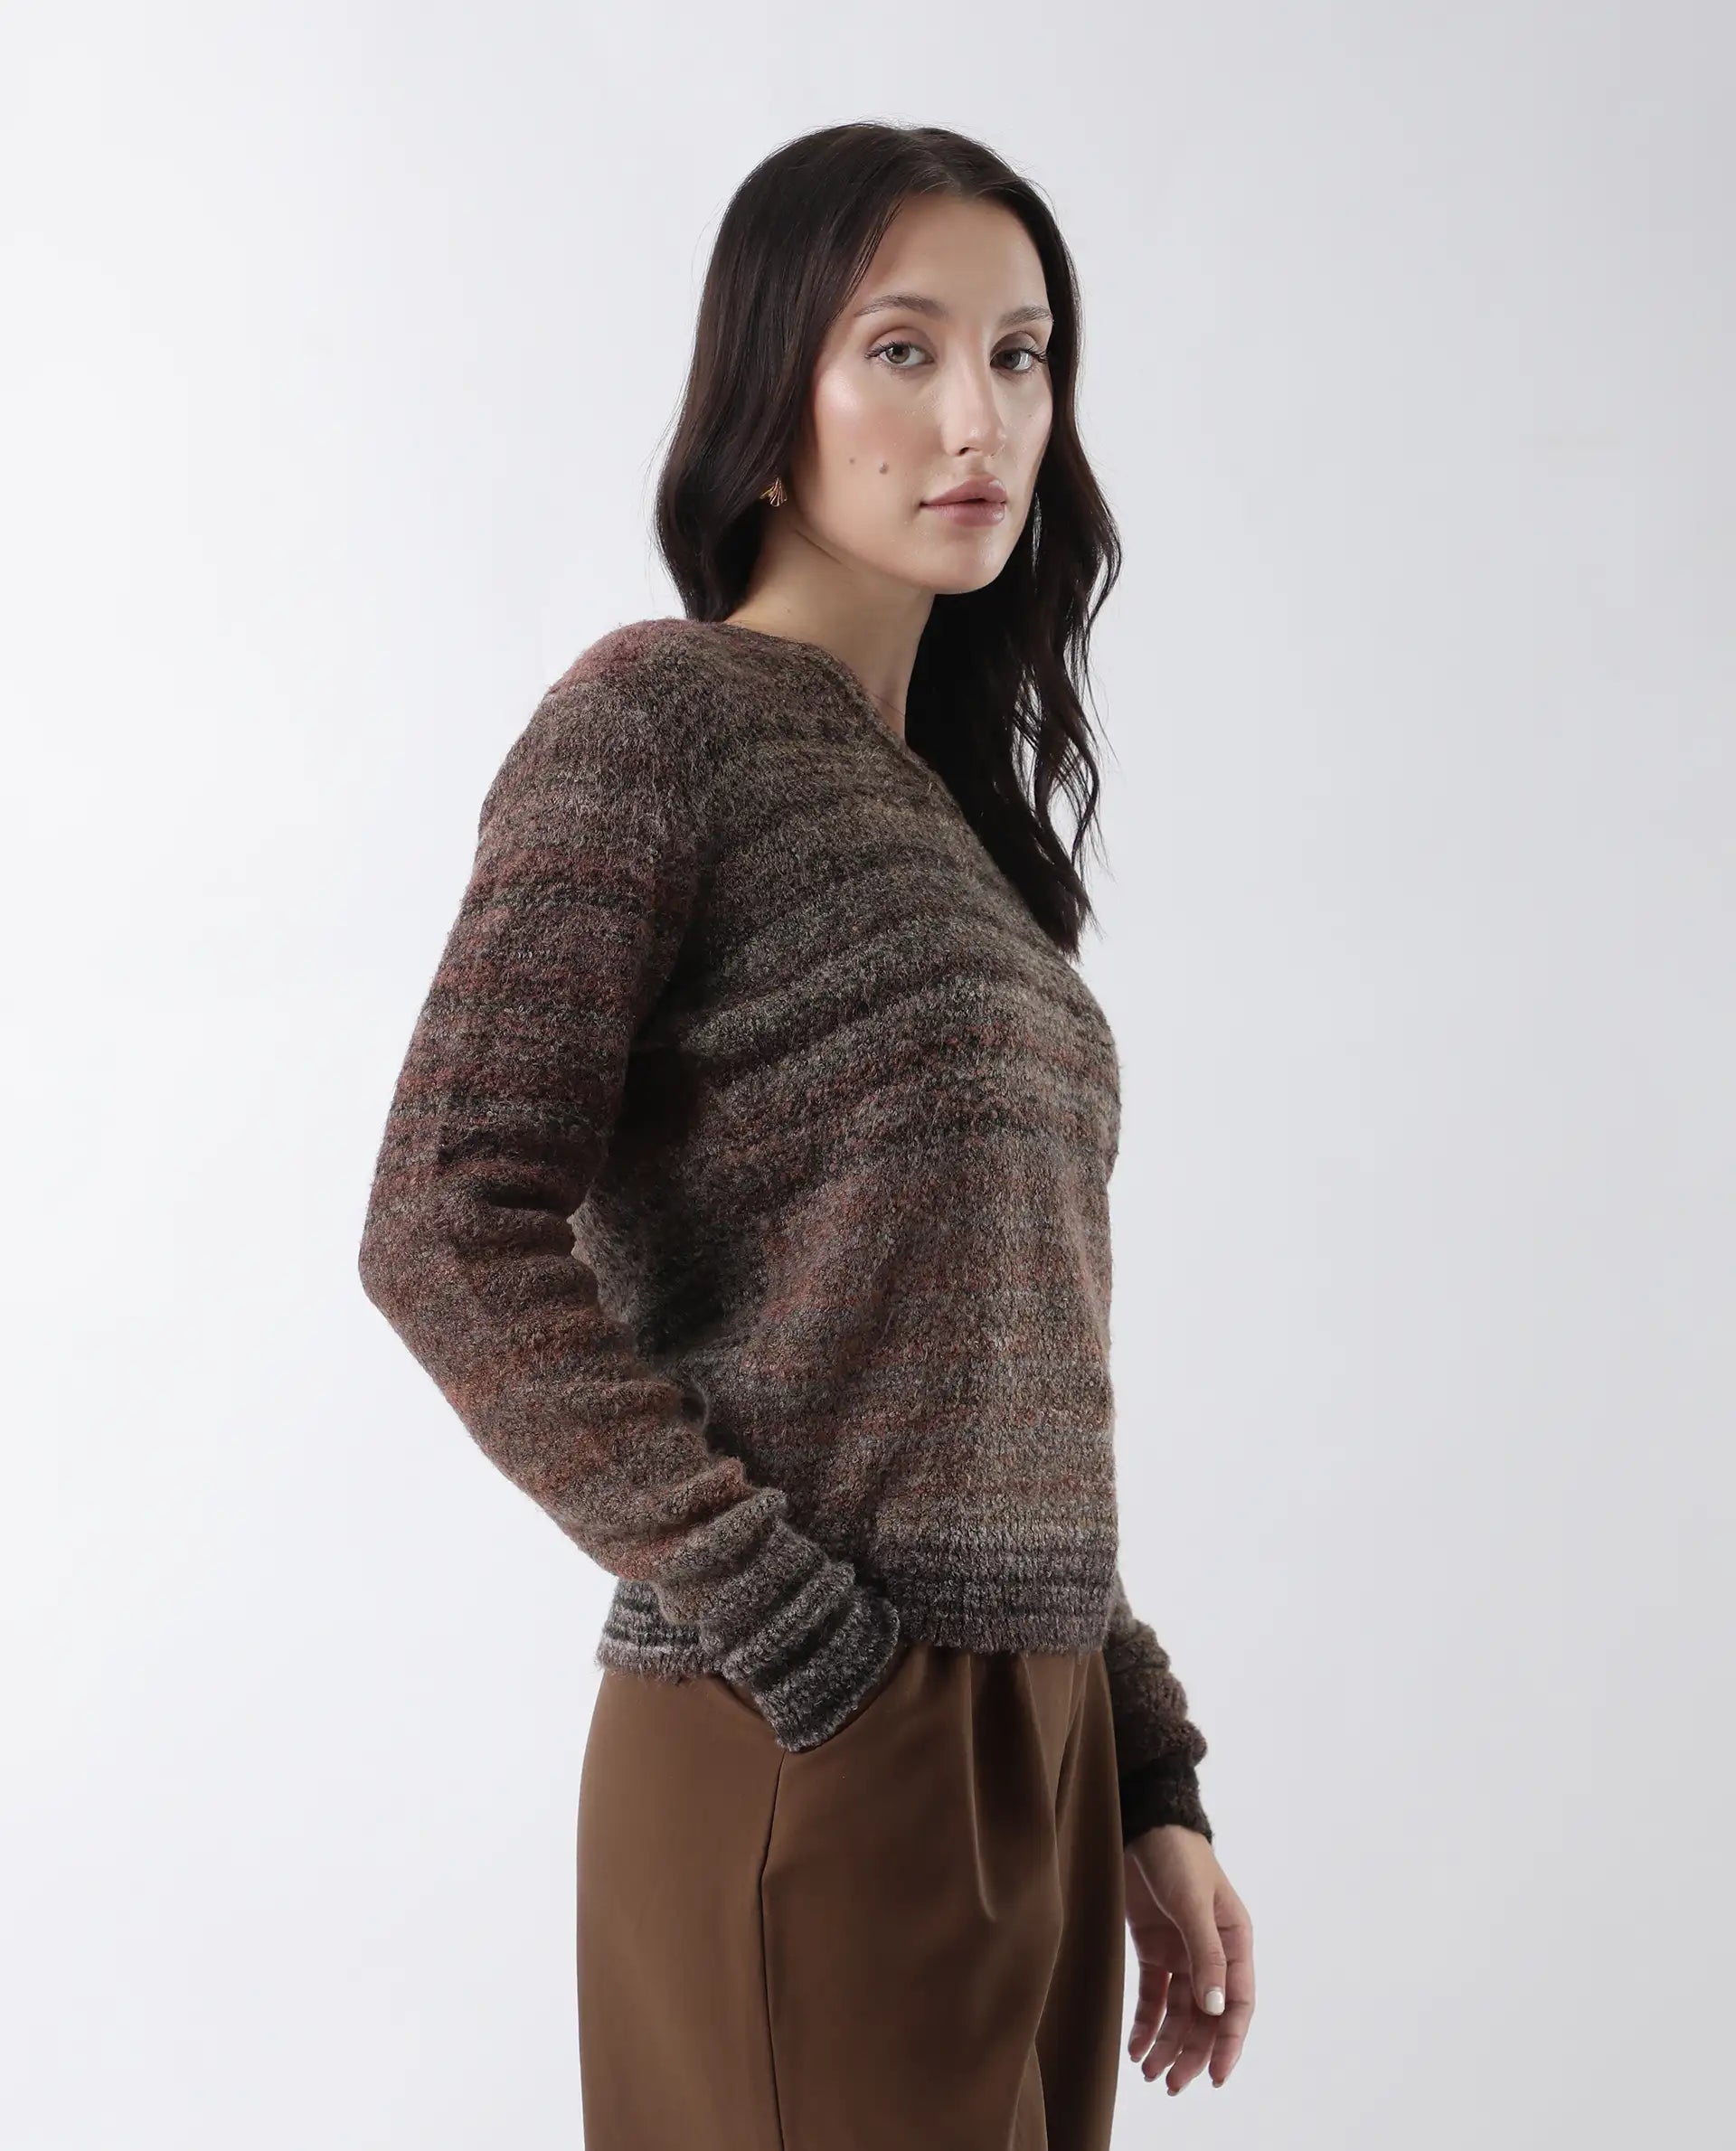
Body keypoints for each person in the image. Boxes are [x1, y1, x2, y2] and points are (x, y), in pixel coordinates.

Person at [357, 120, 1255, 2149]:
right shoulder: (657, 726)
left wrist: (1144, 1766)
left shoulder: (970, 848)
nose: (980, 417)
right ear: (771, 402)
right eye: (903, 349)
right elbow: (442, 1219)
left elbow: (995, 1361)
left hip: (1031, 1746)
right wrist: (785, 1624)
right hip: (809, 1723)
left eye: (1022, 356)